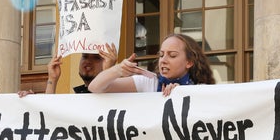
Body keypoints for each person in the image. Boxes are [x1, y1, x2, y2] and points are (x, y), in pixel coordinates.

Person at [87, 33, 215, 96]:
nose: (163, 60)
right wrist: (118, 69)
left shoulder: (201, 90)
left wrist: (181, 93)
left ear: (189, 62)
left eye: (172, 55)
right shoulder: (149, 82)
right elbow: (95, 87)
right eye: (161, 55)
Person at [44, 43, 117, 94]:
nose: (88, 61)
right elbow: (47, 112)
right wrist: (52, 79)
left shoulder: (119, 94)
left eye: (96, 58)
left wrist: (108, 72)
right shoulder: (75, 99)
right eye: (85, 56)